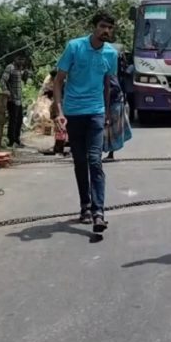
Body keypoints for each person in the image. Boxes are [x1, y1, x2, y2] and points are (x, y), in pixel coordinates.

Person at [54, 13, 119, 233]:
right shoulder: (75, 47)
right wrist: (59, 112)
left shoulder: (111, 54)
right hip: (73, 112)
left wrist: (107, 112)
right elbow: (58, 81)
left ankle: (98, 212)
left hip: (96, 112)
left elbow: (107, 84)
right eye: (102, 26)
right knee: (80, 162)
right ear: (94, 27)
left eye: (109, 28)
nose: (106, 31)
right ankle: (85, 206)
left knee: (95, 160)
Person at [104, 49, 133, 161]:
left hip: (114, 103)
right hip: (115, 101)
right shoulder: (114, 73)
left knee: (112, 129)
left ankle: (110, 154)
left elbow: (113, 89)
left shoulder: (110, 75)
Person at [1, 56, 27, 148]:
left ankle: (17, 139)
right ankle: (11, 141)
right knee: (13, 120)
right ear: (15, 59)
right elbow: (3, 80)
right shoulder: (10, 67)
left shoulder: (19, 69)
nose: (21, 61)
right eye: (19, 59)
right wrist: (6, 91)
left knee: (19, 120)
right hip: (12, 99)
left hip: (19, 99)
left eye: (22, 59)